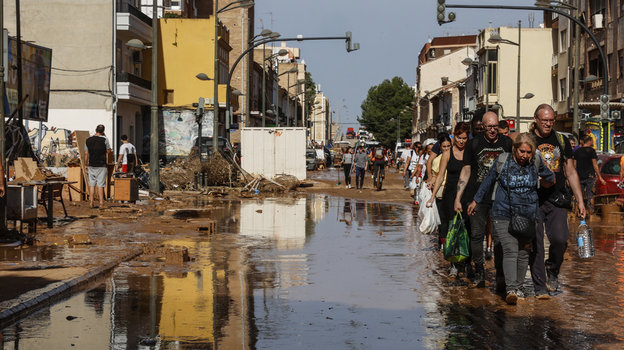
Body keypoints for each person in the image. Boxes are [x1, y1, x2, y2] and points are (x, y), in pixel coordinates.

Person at [467, 133, 555, 304]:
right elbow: (488, 181)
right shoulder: (503, 161)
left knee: (523, 252)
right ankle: (511, 289)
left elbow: (551, 178)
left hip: (529, 214)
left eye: (529, 152)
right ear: (515, 149)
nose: (525, 156)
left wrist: (543, 180)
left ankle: (520, 287)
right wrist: (475, 201)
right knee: (510, 249)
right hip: (503, 212)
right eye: (522, 151)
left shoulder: (536, 161)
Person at [529, 104, 586, 299]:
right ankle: (539, 287)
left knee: (561, 240)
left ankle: (552, 269)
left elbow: (570, 171)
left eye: (551, 120)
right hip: (532, 198)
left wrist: (580, 201)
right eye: (544, 120)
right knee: (534, 243)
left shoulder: (561, 140)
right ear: (535, 119)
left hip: (557, 197)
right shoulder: (527, 140)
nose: (548, 123)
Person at [454, 111, 513, 288]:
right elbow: (466, 170)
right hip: (476, 197)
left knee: (499, 236)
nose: (492, 130)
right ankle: (479, 270)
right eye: (489, 127)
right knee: (477, 234)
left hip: (500, 198)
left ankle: (501, 274)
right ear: (483, 126)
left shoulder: (507, 143)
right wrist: (458, 197)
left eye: (495, 127)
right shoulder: (474, 144)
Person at [426, 122, 471, 277]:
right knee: (453, 229)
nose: (461, 141)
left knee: (467, 229)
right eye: (458, 137)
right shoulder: (447, 154)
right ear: (454, 136)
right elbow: (440, 176)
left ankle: (466, 261)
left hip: (467, 195)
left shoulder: (470, 152)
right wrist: (432, 197)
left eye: (464, 138)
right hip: (450, 195)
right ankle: (453, 263)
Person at [428, 135, 452, 247]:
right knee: (442, 219)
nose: (446, 148)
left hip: (453, 191)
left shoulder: (457, 157)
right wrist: (431, 182)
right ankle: (443, 243)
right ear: (440, 147)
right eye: (444, 146)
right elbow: (436, 176)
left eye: (448, 146)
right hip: (441, 191)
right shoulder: (437, 160)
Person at [573, 135, 605, 213]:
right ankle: (591, 212)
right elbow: (595, 165)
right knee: (590, 195)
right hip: (590, 176)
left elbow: (574, 166)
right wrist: (600, 177)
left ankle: (575, 212)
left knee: (577, 194)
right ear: (589, 141)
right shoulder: (591, 151)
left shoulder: (577, 151)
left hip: (579, 177)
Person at [85, 124, 112, 208]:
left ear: (95, 130)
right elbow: (108, 151)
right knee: (100, 185)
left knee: (92, 184)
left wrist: (86, 164)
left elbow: (86, 153)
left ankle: (91, 202)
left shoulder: (88, 140)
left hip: (91, 165)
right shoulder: (105, 139)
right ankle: (101, 203)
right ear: (103, 131)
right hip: (101, 165)